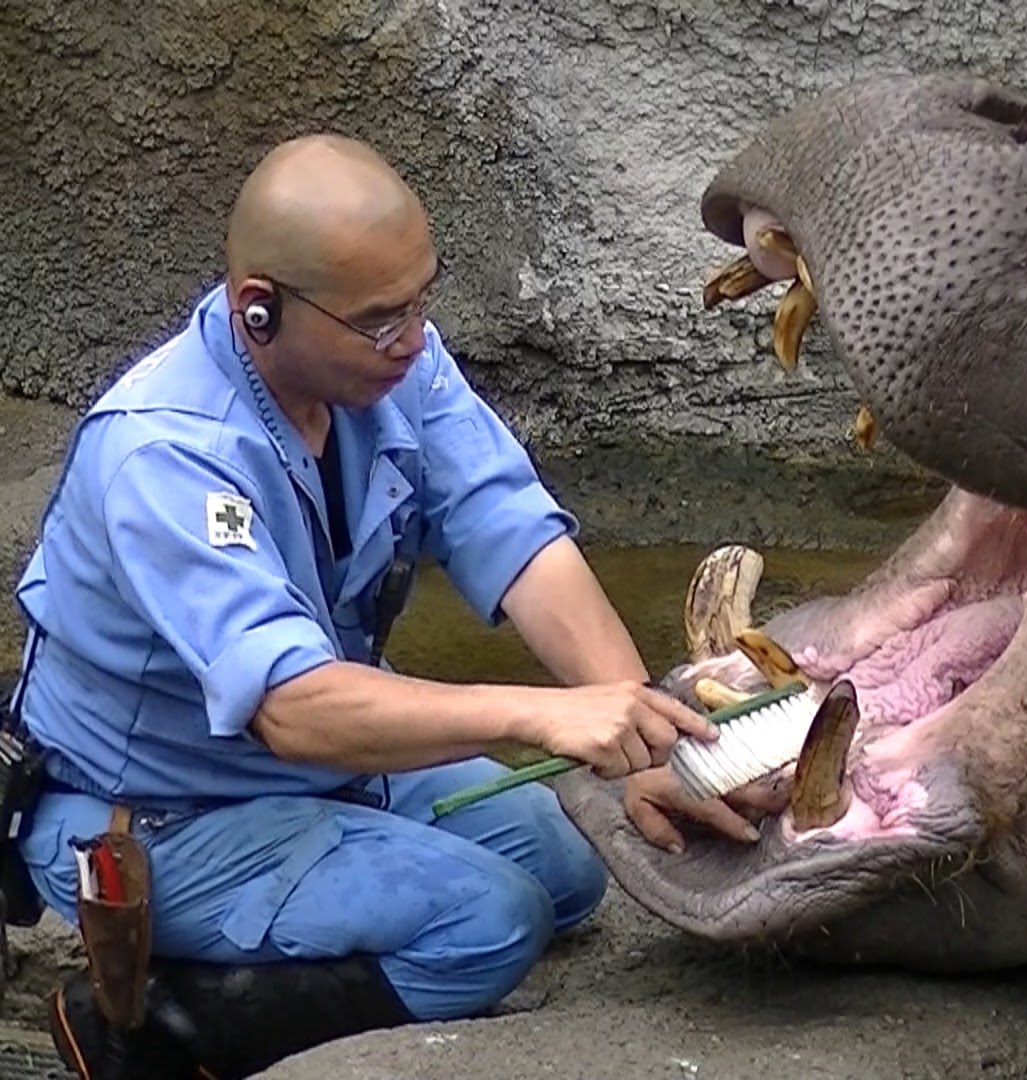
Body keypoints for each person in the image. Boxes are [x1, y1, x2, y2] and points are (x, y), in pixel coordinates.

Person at [6, 134, 779, 1077]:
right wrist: (545, 715)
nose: (413, 339)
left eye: (422, 299)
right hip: (157, 816)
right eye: (380, 319)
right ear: (259, 308)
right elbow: (294, 708)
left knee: (568, 872)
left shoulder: (394, 359)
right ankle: (159, 1028)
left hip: (313, 775)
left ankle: (293, 918)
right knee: (491, 921)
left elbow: (510, 530)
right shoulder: (163, 454)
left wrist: (642, 735)